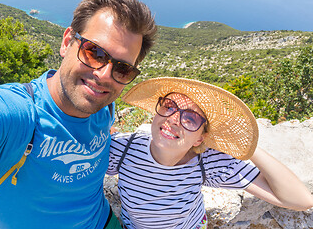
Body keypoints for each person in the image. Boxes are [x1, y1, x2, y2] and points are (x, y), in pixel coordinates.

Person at [0, 0, 157, 228]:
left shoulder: (104, 107)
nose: (103, 76)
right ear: (67, 42)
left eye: (122, 69)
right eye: (95, 52)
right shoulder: (15, 114)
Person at [107, 77, 313, 229]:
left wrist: (247, 147)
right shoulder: (124, 148)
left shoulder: (208, 163)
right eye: (169, 107)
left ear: (200, 138)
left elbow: (300, 200)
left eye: (191, 119)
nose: (174, 119)